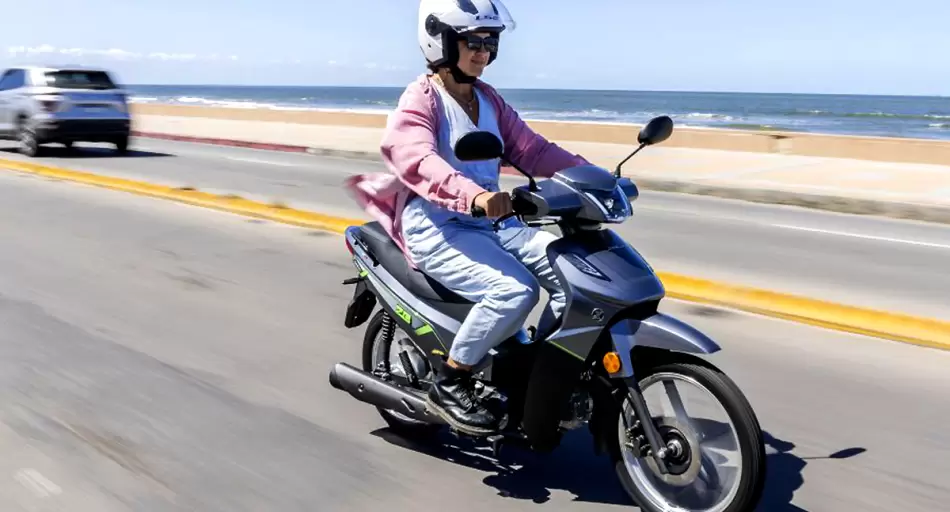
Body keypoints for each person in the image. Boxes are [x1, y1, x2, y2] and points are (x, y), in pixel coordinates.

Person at [346, 0, 592, 435]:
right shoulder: (422, 99)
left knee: (574, 273)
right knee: (514, 292)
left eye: (490, 42)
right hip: (438, 225)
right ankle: (451, 380)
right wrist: (474, 195)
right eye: (473, 42)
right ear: (441, 42)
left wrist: (592, 176)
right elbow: (416, 159)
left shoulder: (487, 99)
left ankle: (543, 373)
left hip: (494, 222)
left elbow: (532, 150)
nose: (484, 52)